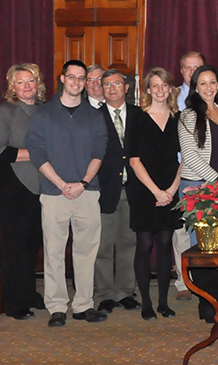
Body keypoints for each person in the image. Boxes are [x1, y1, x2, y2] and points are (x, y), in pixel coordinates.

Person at [26, 59, 108, 327]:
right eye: (71, 77)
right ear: (62, 79)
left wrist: (83, 183)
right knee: (54, 251)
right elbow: (37, 153)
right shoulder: (43, 114)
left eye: (81, 78)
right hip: (53, 192)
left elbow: (99, 151)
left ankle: (83, 305)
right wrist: (62, 184)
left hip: (87, 192)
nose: (76, 82)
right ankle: (57, 306)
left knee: (86, 252)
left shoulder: (94, 115)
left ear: (86, 83)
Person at [0, 63, 46, 320]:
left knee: (32, 243)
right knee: (15, 244)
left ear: (38, 84)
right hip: (9, 184)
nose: (27, 86)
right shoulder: (4, 112)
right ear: (12, 87)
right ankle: (14, 303)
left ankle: (29, 293)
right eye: (20, 82)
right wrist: (37, 154)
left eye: (30, 81)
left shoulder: (44, 111)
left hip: (36, 183)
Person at [178, 64, 218, 322]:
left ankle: (215, 300)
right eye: (203, 83)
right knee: (201, 248)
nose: (209, 87)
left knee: (217, 246)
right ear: (195, 87)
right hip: (197, 188)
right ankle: (208, 304)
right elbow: (189, 154)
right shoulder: (187, 116)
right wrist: (216, 180)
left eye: (212, 82)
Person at [126, 67, 181, 321]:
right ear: (148, 89)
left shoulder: (178, 118)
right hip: (145, 190)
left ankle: (163, 302)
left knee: (165, 244)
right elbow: (134, 160)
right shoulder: (136, 117)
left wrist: (170, 190)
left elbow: (185, 159)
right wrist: (156, 191)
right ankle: (146, 303)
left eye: (164, 85)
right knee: (145, 245)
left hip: (170, 189)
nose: (160, 90)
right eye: (155, 86)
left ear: (170, 89)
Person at [94, 68, 142, 316]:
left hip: (133, 190)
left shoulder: (138, 115)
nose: (112, 88)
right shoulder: (93, 116)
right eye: (107, 85)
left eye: (117, 84)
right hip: (104, 190)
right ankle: (104, 295)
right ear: (102, 90)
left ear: (127, 88)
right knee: (103, 246)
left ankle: (125, 291)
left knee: (128, 243)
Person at [173, 51, 204, 301]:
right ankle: (184, 281)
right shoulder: (170, 96)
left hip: (206, 174)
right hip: (177, 173)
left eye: (197, 67)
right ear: (181, 71)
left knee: (205, 227)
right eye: (188, 68)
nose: (192, 72)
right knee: (182, 230)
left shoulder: (211, 96)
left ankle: (204, 278)